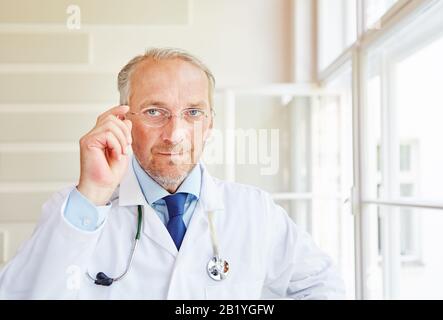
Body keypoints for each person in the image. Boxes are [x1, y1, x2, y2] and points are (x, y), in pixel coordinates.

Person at [0, 48, 345, 299]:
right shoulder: (76, 211)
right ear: (122, 120)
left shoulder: (255, 211)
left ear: (211, 123)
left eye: (193, 112)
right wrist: (92, 194)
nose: (175, 134)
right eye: (154, 111)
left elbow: (324, 287)